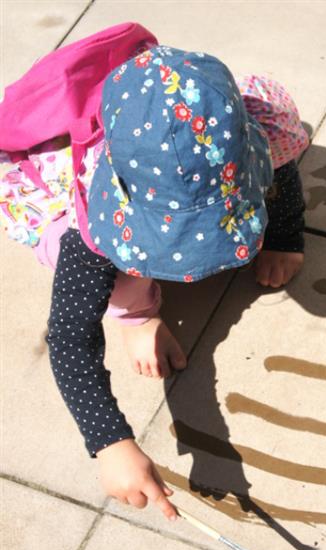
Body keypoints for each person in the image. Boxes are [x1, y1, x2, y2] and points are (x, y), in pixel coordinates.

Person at [0, 44, 308, 522]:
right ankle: (136, 315)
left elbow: (281, 173)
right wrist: (110, 443)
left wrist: (283, 239)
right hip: (64, 185)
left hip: (173, 149)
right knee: (102, 268)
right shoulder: (94, 217)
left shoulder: (255, 132)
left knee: (283, 149)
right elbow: (70, 337)